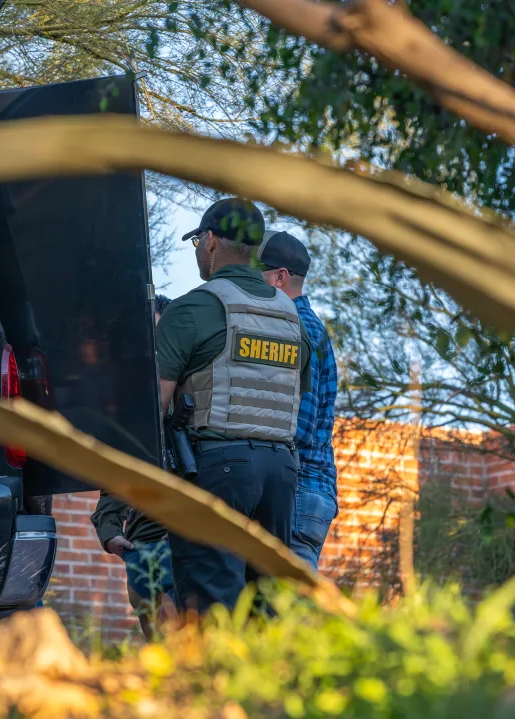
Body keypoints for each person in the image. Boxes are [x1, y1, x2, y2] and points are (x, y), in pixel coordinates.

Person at [156, 198, 312, 613]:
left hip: (216, 469)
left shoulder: (195, 306)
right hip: (281, 475)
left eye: (195, 242)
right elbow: (294, 397)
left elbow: (154, 402)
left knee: (212, 606)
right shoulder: (292, 317)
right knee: (265, 608)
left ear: (209, 242)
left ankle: (212, 678)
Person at [90, 294, 177, 641]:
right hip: (141, 546)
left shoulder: (195, 391)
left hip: (181, 543)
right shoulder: (128, 399)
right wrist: (109, 529)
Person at [258, 231, 338, 571]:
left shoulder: (296, 328)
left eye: (254, 273)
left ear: (279, 277)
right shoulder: (309, 327)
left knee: (286, 611)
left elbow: (297, 426)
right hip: (309, 489)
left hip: (299, 490)